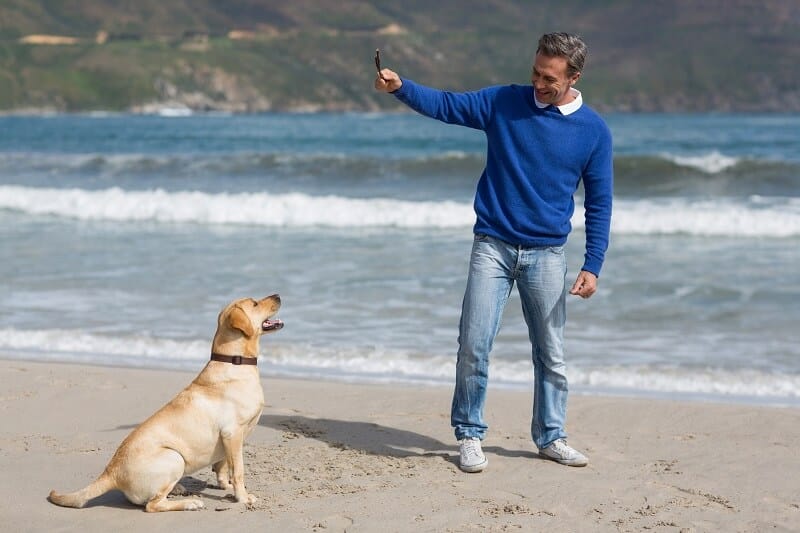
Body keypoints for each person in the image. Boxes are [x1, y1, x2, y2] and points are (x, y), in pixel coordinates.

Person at [374, 32, 613, 472]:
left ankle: (551, 436)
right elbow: (448, 105)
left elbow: (599, 202)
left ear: (574, 77)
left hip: (547, 255)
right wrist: (402, 88)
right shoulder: (504, 102)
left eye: (550, 78)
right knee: (473, 344)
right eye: (536, 72)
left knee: (551, 353)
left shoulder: (593, 131)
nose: (539, 83)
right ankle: (469, 434)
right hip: (493, 247)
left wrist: (592, 264)